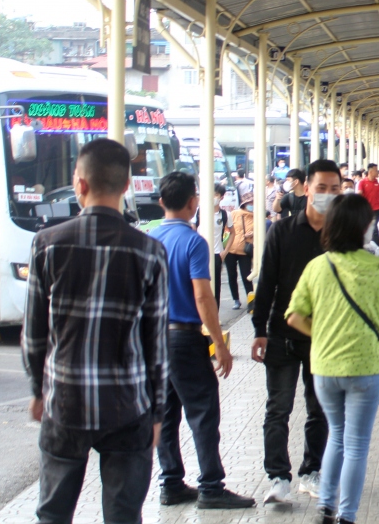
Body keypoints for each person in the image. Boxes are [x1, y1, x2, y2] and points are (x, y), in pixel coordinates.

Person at [23, 138, 168, 524]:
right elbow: (156, 345)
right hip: (128, 406)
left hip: (65, 402)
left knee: (53, 514)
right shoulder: (149, 252)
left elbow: (35, 333)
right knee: (123, 515)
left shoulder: (47, 245)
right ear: (126, 187)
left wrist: (38, 390)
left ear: (80, 185)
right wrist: (157, 411)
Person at [286, 193, 379, 524]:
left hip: (324, 366)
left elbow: (293, 316)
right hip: (365, 369)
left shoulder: (316, 266)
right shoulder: (377, 267)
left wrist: (321, 334)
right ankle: (347, 515)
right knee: (357, 445)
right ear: (365, 227)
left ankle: (325, 506)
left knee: (335, 435)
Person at [149, 172, 254, 510]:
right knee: (203, 413)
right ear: (194, 202)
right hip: (185, 340)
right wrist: (219, 345)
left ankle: (171, 483)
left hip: (155, 340)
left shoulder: (149, 240)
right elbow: (202, 295)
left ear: (162, 202)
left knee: (165, 414)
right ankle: (210, 485)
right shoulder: (194, 242)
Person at [253, 159, 341, 505]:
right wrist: (258, 329)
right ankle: (278, 477)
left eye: (335, 189)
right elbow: (266, 283)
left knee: (319, 408)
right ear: (305, 188)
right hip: (281, 334)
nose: (328, 195)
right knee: (278, 407)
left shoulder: (340, 236)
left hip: (325, 336)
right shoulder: (283, 231)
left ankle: (311, 470)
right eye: (321, 188)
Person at [222, 192, 256, 310]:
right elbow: (227, 228)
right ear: (244, 203)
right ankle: (236, 300)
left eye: (253, 202)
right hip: (230, 249)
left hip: (245, 251)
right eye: (250, 203)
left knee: (247, 276)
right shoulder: (234, 214)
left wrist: (254, 234)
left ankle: (251, 301)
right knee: (232, 275)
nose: (252, 205)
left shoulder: (257, 217)